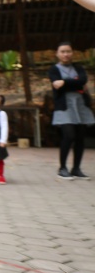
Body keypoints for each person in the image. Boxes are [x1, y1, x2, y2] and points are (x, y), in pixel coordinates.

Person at [49, 41, 95, 180]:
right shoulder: (53, 69)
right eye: (62, 51)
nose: (66, 54)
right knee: (69, 135)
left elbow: (82, 80)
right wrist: (75, 83)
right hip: (64, 105)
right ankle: (62, 168)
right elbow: (58, 84)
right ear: (57, 54)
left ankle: (76, 168)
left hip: (80, 105)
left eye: (68, 51)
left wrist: (65, 82)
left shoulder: (78, 67)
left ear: (72, 53)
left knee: (80, 137)